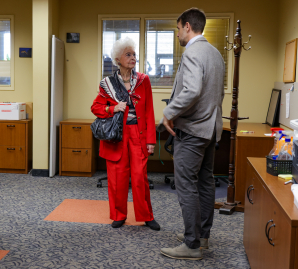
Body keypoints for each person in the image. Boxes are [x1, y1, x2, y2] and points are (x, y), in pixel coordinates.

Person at [157, 8, 225, 260]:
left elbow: (192, 90)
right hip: (210, 129)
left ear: (187, 26)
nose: (177, 34)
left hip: (194, 129)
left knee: (186, 185)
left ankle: (191, 244)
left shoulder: (193, 53)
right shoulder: (215, 53)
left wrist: (169, 112)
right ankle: (202, 237)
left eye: (177, 29)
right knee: (205, 183)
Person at [91, 37, 160, 231]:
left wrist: (151, 141)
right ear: (118, 59)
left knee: (140, 178)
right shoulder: (107, 84)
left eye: (134, 54)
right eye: (128, 55)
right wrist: (113, 108)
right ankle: (119, 215)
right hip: (117, 136)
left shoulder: (144, 80)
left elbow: (149, 112)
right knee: (117, 178)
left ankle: (147, 216)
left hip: (138, 134)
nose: (133, 58)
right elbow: (96, 107)